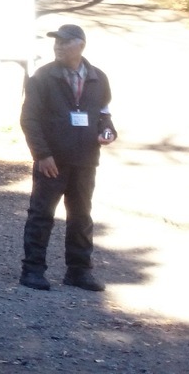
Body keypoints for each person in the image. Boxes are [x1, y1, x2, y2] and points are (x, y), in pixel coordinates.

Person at [19, 23, 118, 291]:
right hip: (52, 161)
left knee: (81, 216)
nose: (58, 47)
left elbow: (103, 114)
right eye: (56, 42)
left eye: (64, 42)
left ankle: (78, 271)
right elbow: (29, 119)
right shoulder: (43, 77)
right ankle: (32, 270)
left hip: (85, 160)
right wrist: (42, 154)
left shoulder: (98, 78)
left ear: (80, 45)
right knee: (41, 215)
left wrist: (107, 131)